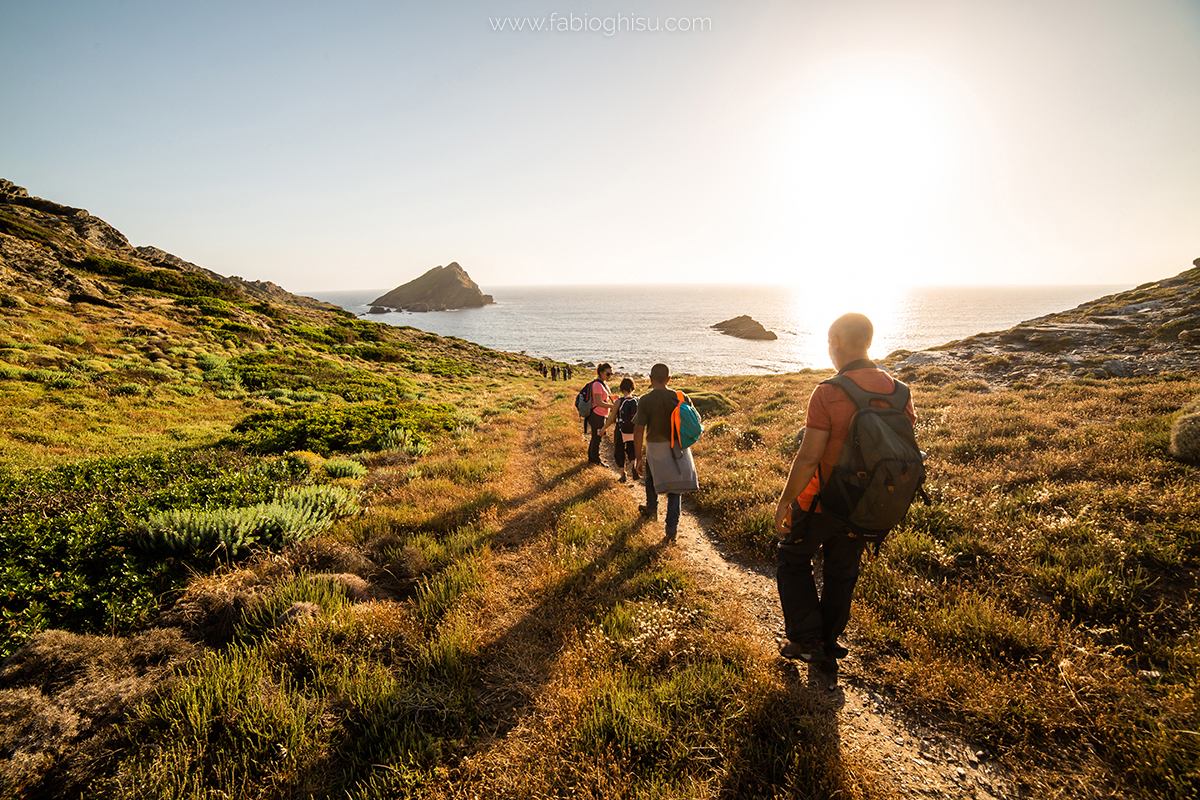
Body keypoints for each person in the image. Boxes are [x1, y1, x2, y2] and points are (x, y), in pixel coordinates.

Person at [773, 313, 916, 666]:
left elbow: (808, 458)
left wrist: (785, 501)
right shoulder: (901, 392)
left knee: (793, 559)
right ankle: (828, 640)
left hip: (823, 500)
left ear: (835, 340)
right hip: (867, 503)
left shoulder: (829, 391)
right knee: (843, 570)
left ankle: (806, 639)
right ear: (868, 341)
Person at [633, 363, 699, 543]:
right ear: (669, 379)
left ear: (650, 379)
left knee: (651, 480)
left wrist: (638, 458)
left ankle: (652, 510)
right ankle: (671, 530)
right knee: (675, 490)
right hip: (678, 447)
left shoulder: (646, 400)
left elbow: (638, 430)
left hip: (655, 448)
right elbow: (696, 420)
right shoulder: (680, 396)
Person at [585, 363, 617, 465]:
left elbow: (603, 399)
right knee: (597, 438)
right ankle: (596, 460)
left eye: (611, 374)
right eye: (608, 374)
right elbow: (598, 402)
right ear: (601, 373)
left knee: (596, 437)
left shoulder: (603, 383)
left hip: (601, 414)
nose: (610, 376)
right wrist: (614, 407)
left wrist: (614, 398)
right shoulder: (597, 385)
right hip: (597, 414)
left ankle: (592, 458)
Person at [609, 377, 640, 482]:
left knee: (619, 450)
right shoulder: (637, 400)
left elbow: (612, 418)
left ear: (621, 388)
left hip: (621, 429)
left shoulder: (619, 401)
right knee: (632, 449)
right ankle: (634, 466)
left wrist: (603, 428)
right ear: (632, 388)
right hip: (633, 430)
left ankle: (623, 474)